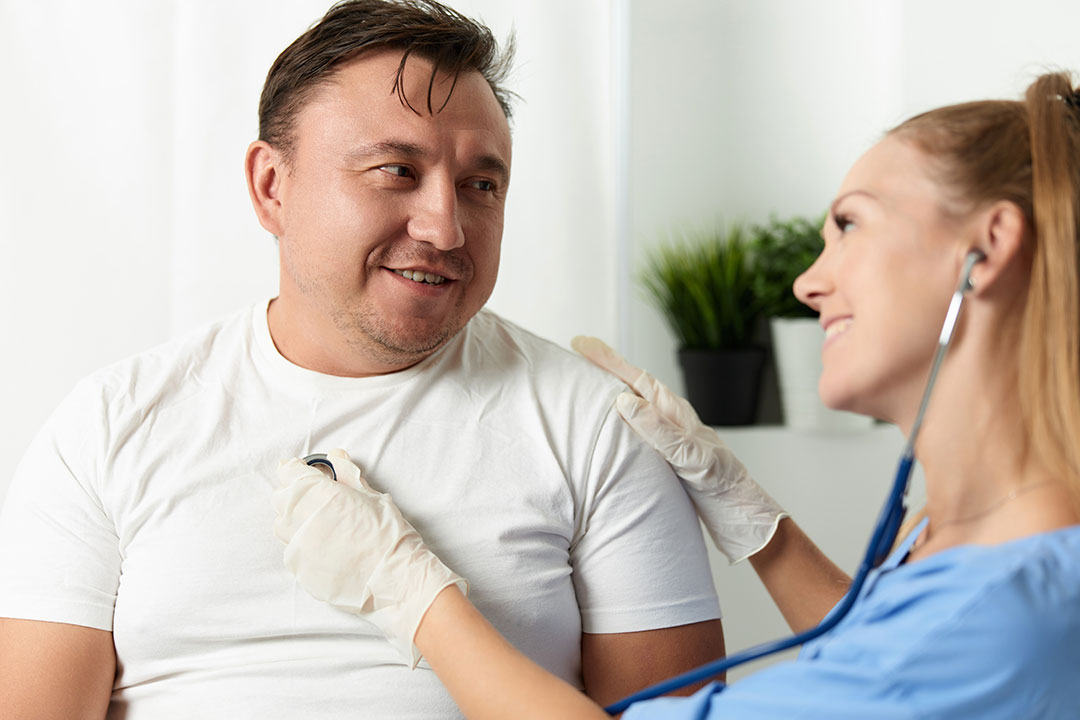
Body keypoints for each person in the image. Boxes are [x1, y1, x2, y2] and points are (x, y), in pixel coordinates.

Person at [0, 1, 734, 717]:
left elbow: (675, 713)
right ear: (271, 187)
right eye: (395, 171)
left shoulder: (594, 427)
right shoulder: (110, 424)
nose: (445, 228)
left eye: (482, 185)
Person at [272, 70, 1080, 719]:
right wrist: (757, 521)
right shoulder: (963, 544)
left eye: (852, 225)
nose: (809, 281)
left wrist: (416, 597)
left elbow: (932, 659)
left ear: (990, 248)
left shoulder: (1015, 607)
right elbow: (892, 661)